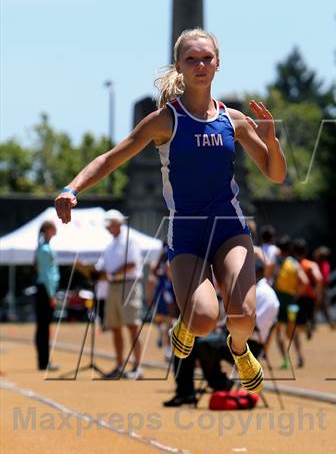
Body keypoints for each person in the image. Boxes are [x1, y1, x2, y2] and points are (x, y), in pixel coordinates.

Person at [54, 28, 287, 393]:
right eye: (191, 59)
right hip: (188, 232)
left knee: (243, 317)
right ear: (179, 66)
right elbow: (112, 158)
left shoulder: (234, 120)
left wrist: (271, 141)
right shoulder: (166, 120)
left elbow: (275, 174)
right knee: (204, 320)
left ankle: (239, 349)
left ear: (218, 64)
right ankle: (187, 323)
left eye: (206, 58)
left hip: (229, 228)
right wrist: (71, 188)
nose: (200, 65)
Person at [163, 259, 279, 406]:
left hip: (249, 344)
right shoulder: (253, 289)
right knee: (193, 340)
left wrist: (230, 323)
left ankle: (217, 383)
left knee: (201, 344)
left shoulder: (266, 294)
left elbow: (254, 325)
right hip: (233, 337)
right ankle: (189, 390)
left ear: (255, 273)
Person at [95, 209, 144, 379]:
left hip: (128, 285)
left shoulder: (130, 241)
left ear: (118, 224)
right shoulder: (110, 245)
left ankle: (137, 367)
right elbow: (103, 266)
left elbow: (132, 264)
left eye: (110, 225)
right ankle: (119, 365)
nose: (108, 229)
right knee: (115, 327)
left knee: (132, 326)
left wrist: (111, 273)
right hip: (113, 287)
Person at [273, 236, 309, 369]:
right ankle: (299, 356)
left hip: (278, 299)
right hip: (290, 300)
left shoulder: (276, 262)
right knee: (293, 331)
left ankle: (285, 360)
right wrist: (296, 295)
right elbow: (305, 282)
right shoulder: (294, 263)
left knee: (279, 331)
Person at [34, 220, 60, 371]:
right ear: (47, 230)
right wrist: (51, 295)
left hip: (45, 289)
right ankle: (43, 361)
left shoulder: (44, 248)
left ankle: (44, 361)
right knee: (44, 327)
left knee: (43, 327)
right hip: (45, 289)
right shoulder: (44, 249)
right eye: (53, 228)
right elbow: (47, 274)